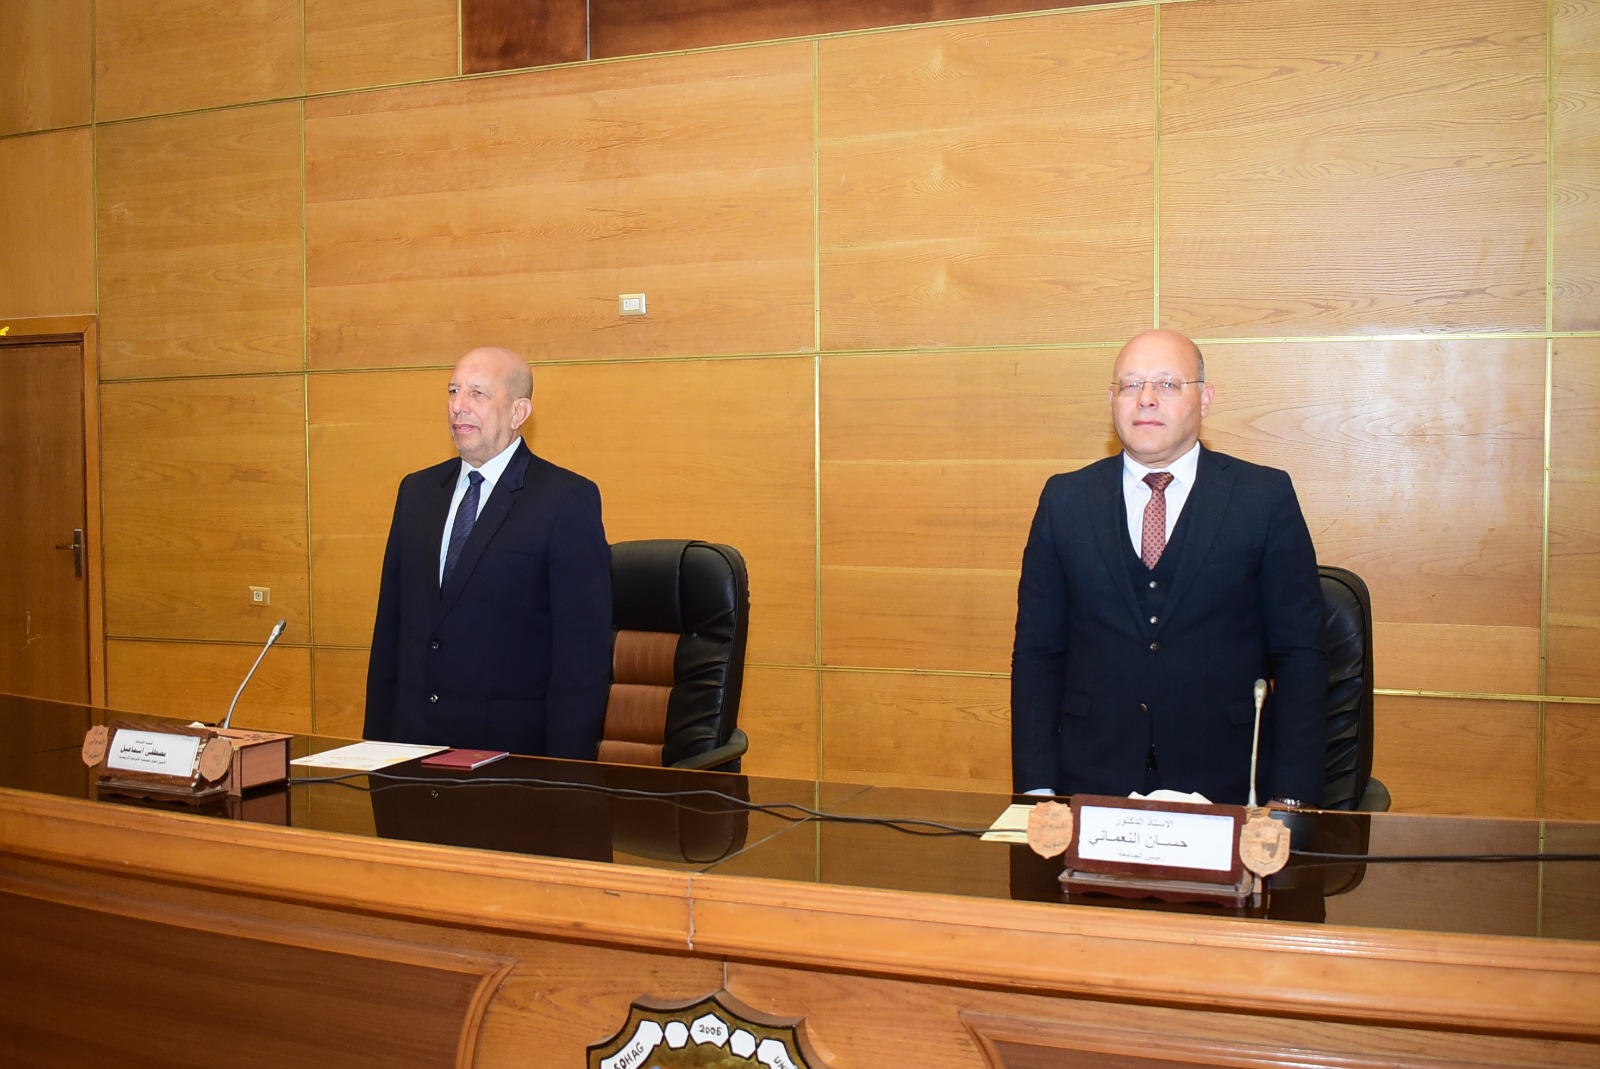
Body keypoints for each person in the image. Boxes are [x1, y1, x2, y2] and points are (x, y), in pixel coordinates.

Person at [1011, 329, 1326, 806]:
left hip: (1229, 786)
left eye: (1167, 384)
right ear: (1112, 401)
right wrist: (1037, 791)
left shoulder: (1264, 498)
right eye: (1130, 385)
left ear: (1206, 398)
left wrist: (1290, 796)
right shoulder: (1065, 500)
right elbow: (1038, 654)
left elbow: (1300, 655)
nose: (1146, 399)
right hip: (1091, 786)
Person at [364, 346, 612, 759]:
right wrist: (374, 752)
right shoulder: (417, 493)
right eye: (453, 391)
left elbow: (581, 660)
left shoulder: (565, 500)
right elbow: (389, 633)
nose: (458, 406)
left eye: (477, 393)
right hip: (412, 752)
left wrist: (565, 777)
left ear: (518, 412)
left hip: (509, 762)